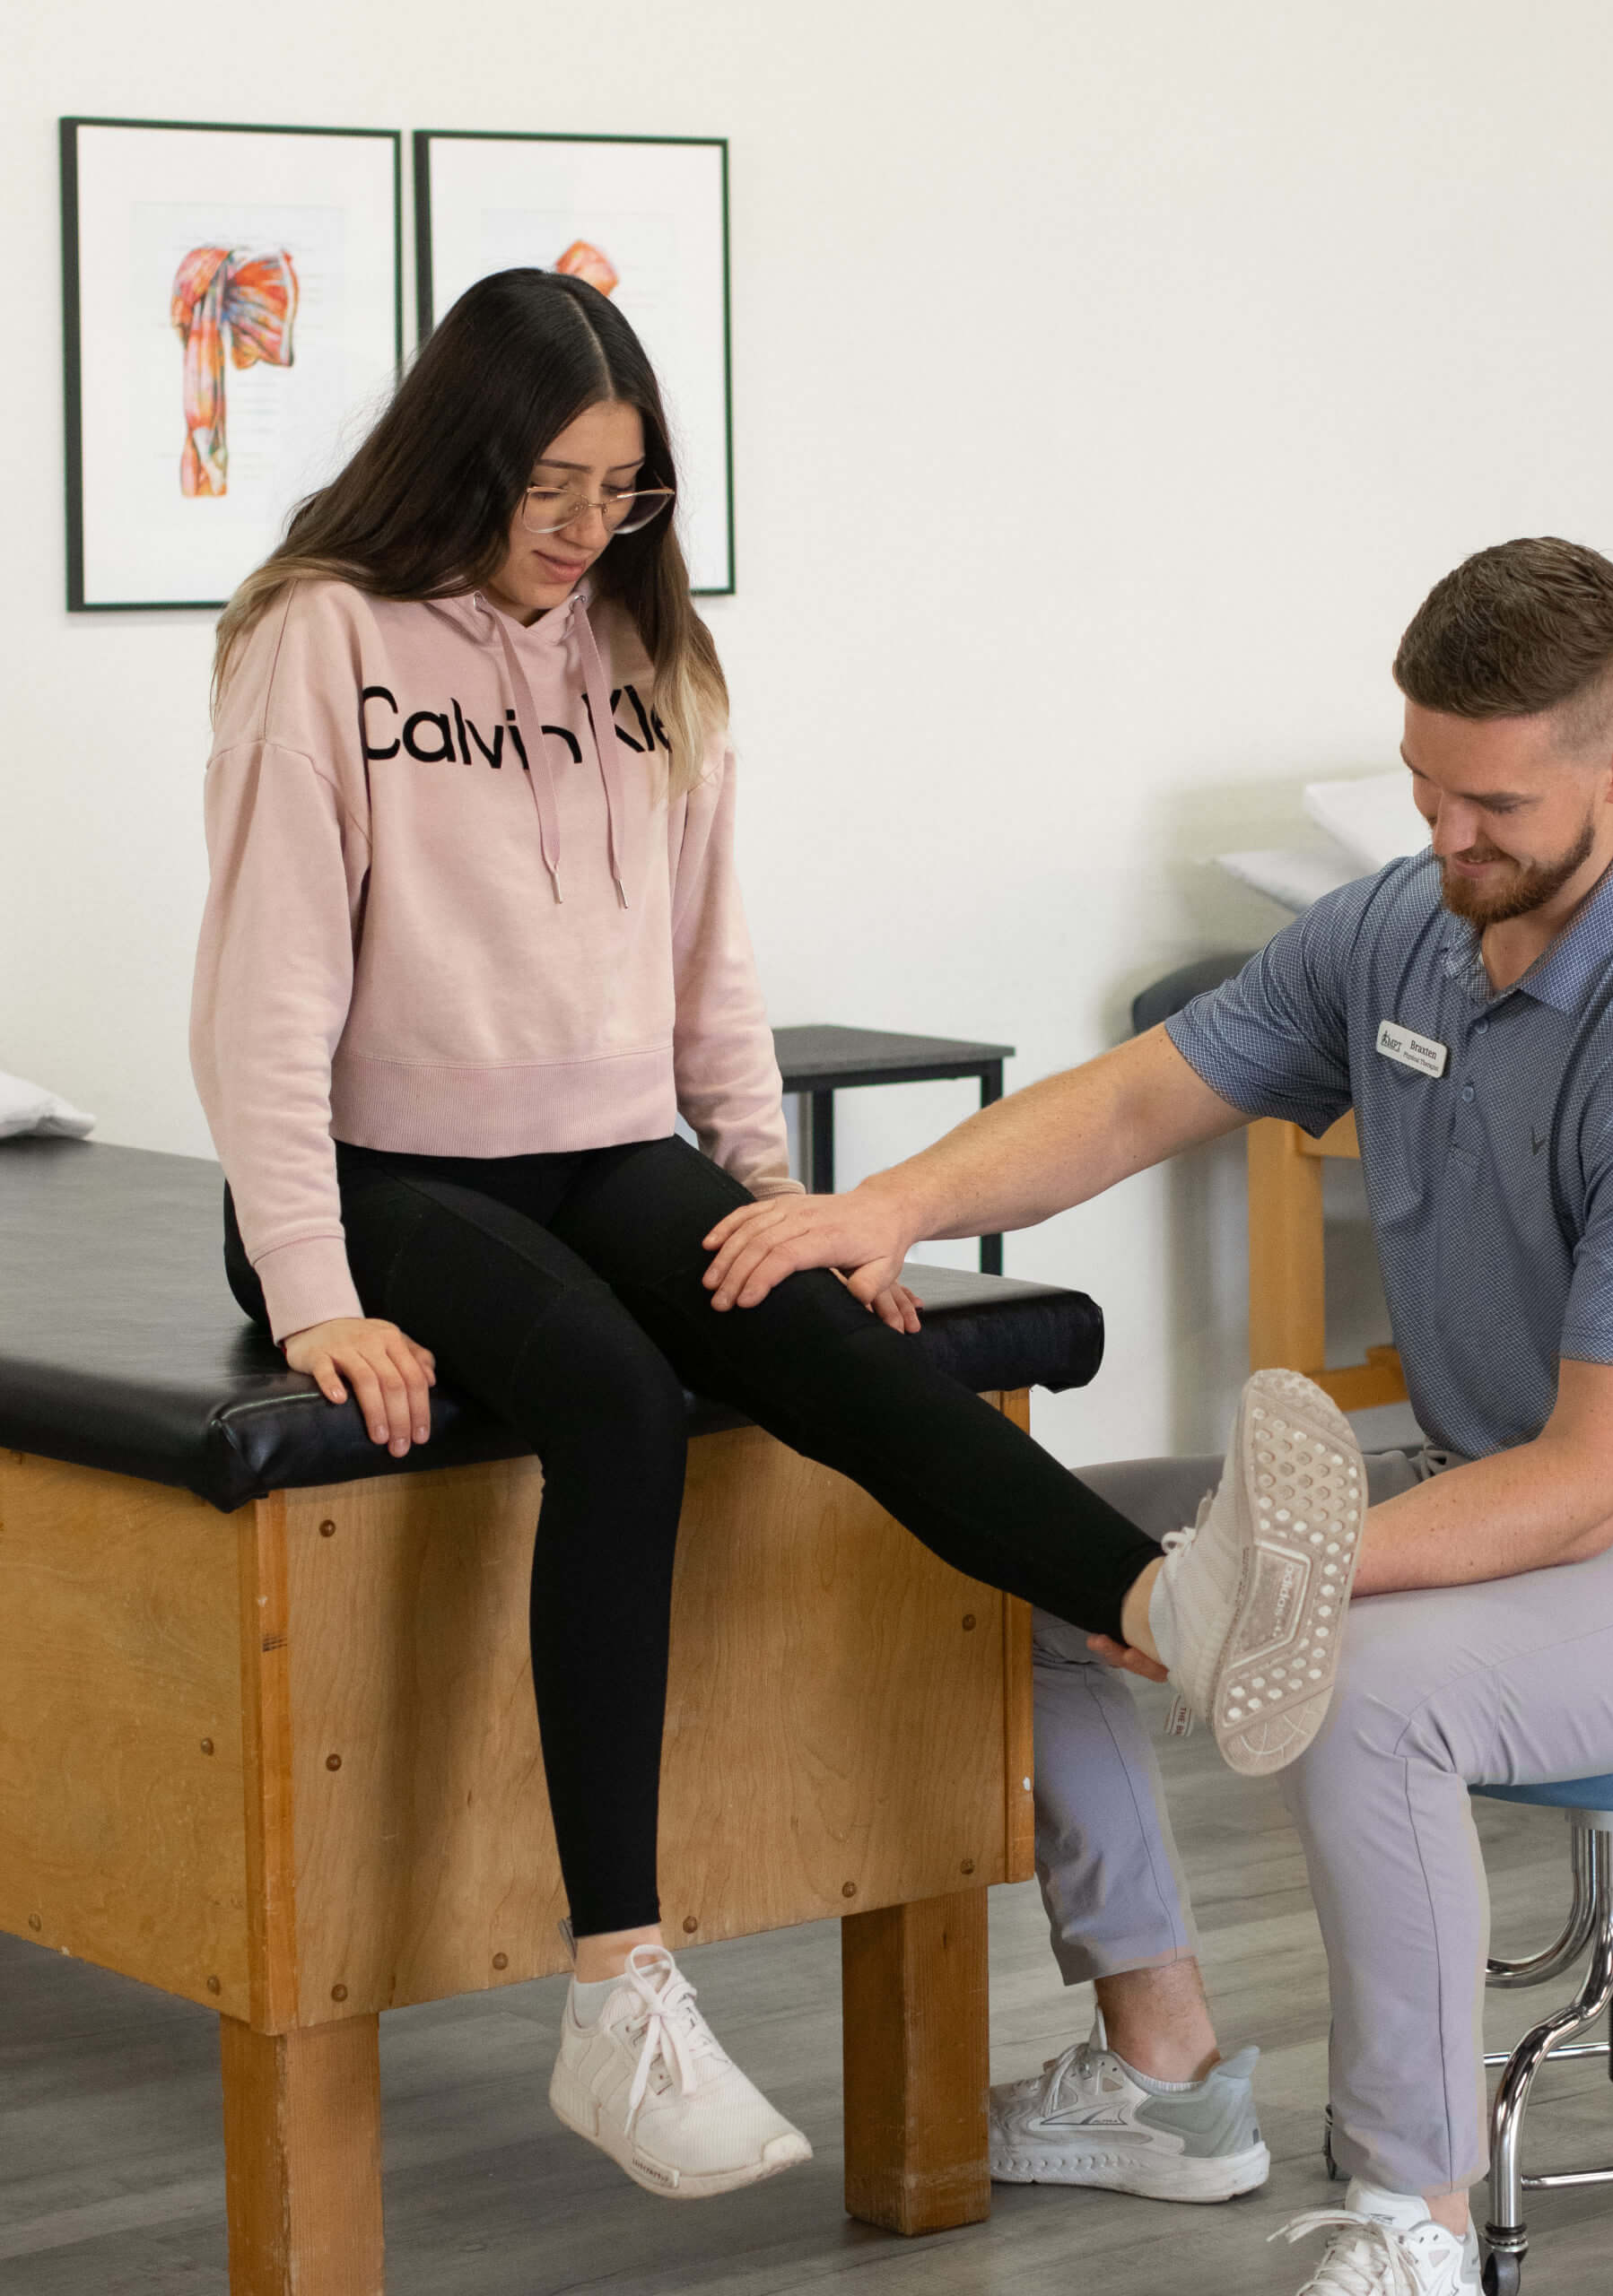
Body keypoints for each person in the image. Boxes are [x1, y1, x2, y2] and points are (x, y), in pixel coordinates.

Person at [188, 265, 1330, 2207]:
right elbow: (262, 999)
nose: (581, 531)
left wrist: (791, 1204)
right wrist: (311, 1287)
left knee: (819, 1330)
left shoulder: (655, 656)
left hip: (605, 1142)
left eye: (622, 490)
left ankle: (1161, 1608)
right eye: (548, 485)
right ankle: (618, 1989)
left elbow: (712, 980)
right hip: (385, 1179)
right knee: (615, 1399)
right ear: (459, 457)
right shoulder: (323, 638)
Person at [701, 538, 1613, 2291]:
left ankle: (1418, 2215)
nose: (1447, 833)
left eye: (1489, 801)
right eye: (1421, 786)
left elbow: (1586, 1485)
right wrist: (890, 1209)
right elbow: (1137, 1096)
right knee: (1037, 1548)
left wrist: (1261, 1580)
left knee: (1361, 1690)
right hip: (1477, 1475)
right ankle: (1160, 2070)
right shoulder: (1404, 926)